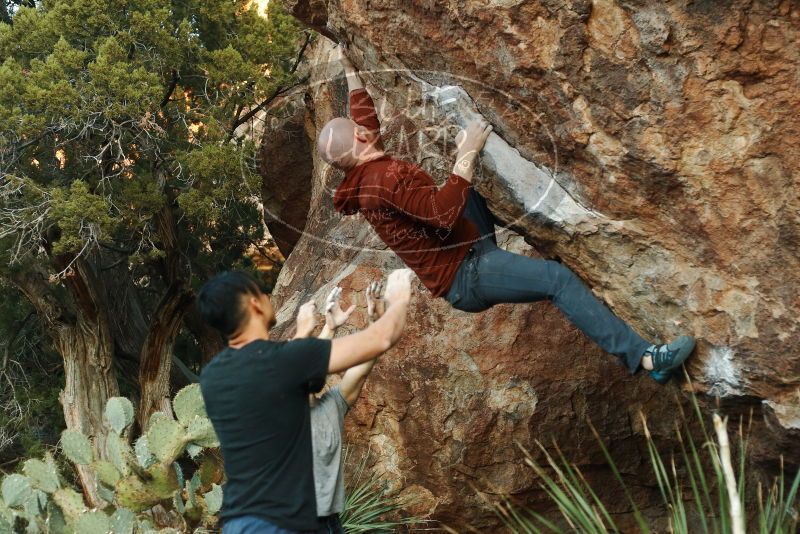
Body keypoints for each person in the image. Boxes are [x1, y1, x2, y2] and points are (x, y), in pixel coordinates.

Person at [316, 46, 694, 384]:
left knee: (474, 192)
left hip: (465, 242)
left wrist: (350, 68)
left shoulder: (364, 168)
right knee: (557, 280)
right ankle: (646, 359)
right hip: (466, 275)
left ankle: (553, 228)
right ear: (361, 140)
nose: (368, 129)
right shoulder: (382, 181)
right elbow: (442, 212)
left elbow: (364, 122)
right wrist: (468, 149)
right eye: (362, 131)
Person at [197, 268, 414, 534]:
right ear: (254, 302)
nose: (268, 297)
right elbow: (381, 338)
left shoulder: (212, 377)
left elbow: (286, 383)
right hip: (285, 522)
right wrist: (399, 298)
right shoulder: (285, 359)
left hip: (239, 522)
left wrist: (322, 329)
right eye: (264, 293)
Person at [291, 281, 387, 534]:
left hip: (331, 524)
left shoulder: (332, 405)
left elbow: (362, 368)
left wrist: (376, 324)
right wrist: (327, 329)